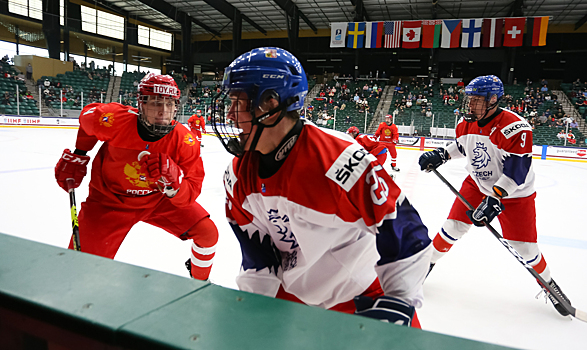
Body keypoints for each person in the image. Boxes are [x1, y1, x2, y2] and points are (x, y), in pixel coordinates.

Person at [211, 47, 431, 328]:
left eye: (237, 102)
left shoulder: (339, 162)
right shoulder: (237, 176)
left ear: (269, 103)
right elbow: (258, 257)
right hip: (292, 295)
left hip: (362, 295)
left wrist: (400, 301)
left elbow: (404, 227)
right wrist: (258, 311)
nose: (229, 115)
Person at [418, 75, 572, 316]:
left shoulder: (515, 129)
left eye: (477, 100)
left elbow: (516, 172)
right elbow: (462, 146)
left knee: (525, 249)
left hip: (515, 194)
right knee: (452, 227)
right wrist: (441, 154)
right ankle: (424, 266)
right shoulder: (466, 122)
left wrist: (495, 198)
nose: (470, 105)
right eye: (469, 99)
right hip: (478, 184)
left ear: (493, 100)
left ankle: (549, 285)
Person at [54, 73, 218, 280]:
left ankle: (200, 281)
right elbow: (88, 118)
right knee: (81, 272)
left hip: (157, 200)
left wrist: (174, 186)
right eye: (157, 103)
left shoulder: (184, 140)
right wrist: (79, 153)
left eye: (170, 104)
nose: (163, 111)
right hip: (108, 202)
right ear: (141, 103)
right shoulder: (113, 120)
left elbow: (192, 189)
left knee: (208, 234)